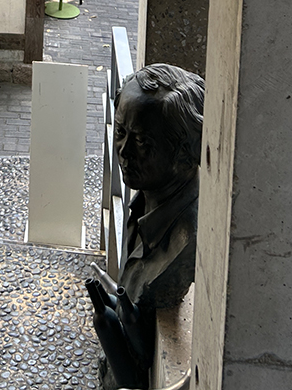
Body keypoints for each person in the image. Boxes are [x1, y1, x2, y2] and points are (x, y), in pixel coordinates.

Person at [85, 63, 205, 389]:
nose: (123, 151)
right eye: (120, 132)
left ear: (184, 151)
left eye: (141, 140)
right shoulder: (146, 200)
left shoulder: (191, 239)